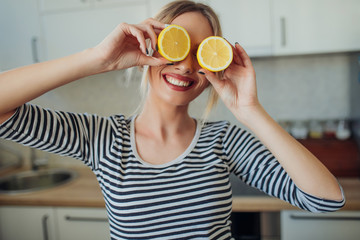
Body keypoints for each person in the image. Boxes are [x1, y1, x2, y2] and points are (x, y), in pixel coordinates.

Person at [0, 1, 344, 239]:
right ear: (149, 48)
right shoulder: (101, 137)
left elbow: (326, 199)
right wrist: (98, 59)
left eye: (201, 53)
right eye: (177, 46)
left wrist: (250, 110)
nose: (186, 65)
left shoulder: (224, 140)